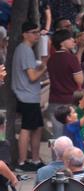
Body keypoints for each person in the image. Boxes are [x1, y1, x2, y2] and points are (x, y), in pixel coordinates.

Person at [12, 22, 47, 172]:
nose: (37, 35)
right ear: (24, 34)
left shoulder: (26, 50)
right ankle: (22, 161)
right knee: (27, 128)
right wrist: (43, 68)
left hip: (28, 95)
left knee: (37, 127)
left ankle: (34, 159)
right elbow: (32, 76)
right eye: (33, 32)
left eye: (38, 32)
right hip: (26, 95)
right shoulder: (25, 50)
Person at [48, 29, 84, 138]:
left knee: (57, 136)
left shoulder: (51, 59)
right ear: (61, 42)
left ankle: (56, 155)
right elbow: (80, 80)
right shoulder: (71, 58)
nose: (73, 40)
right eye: (69, 38)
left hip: (54, 100)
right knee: (71, 136)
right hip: (69, 102)